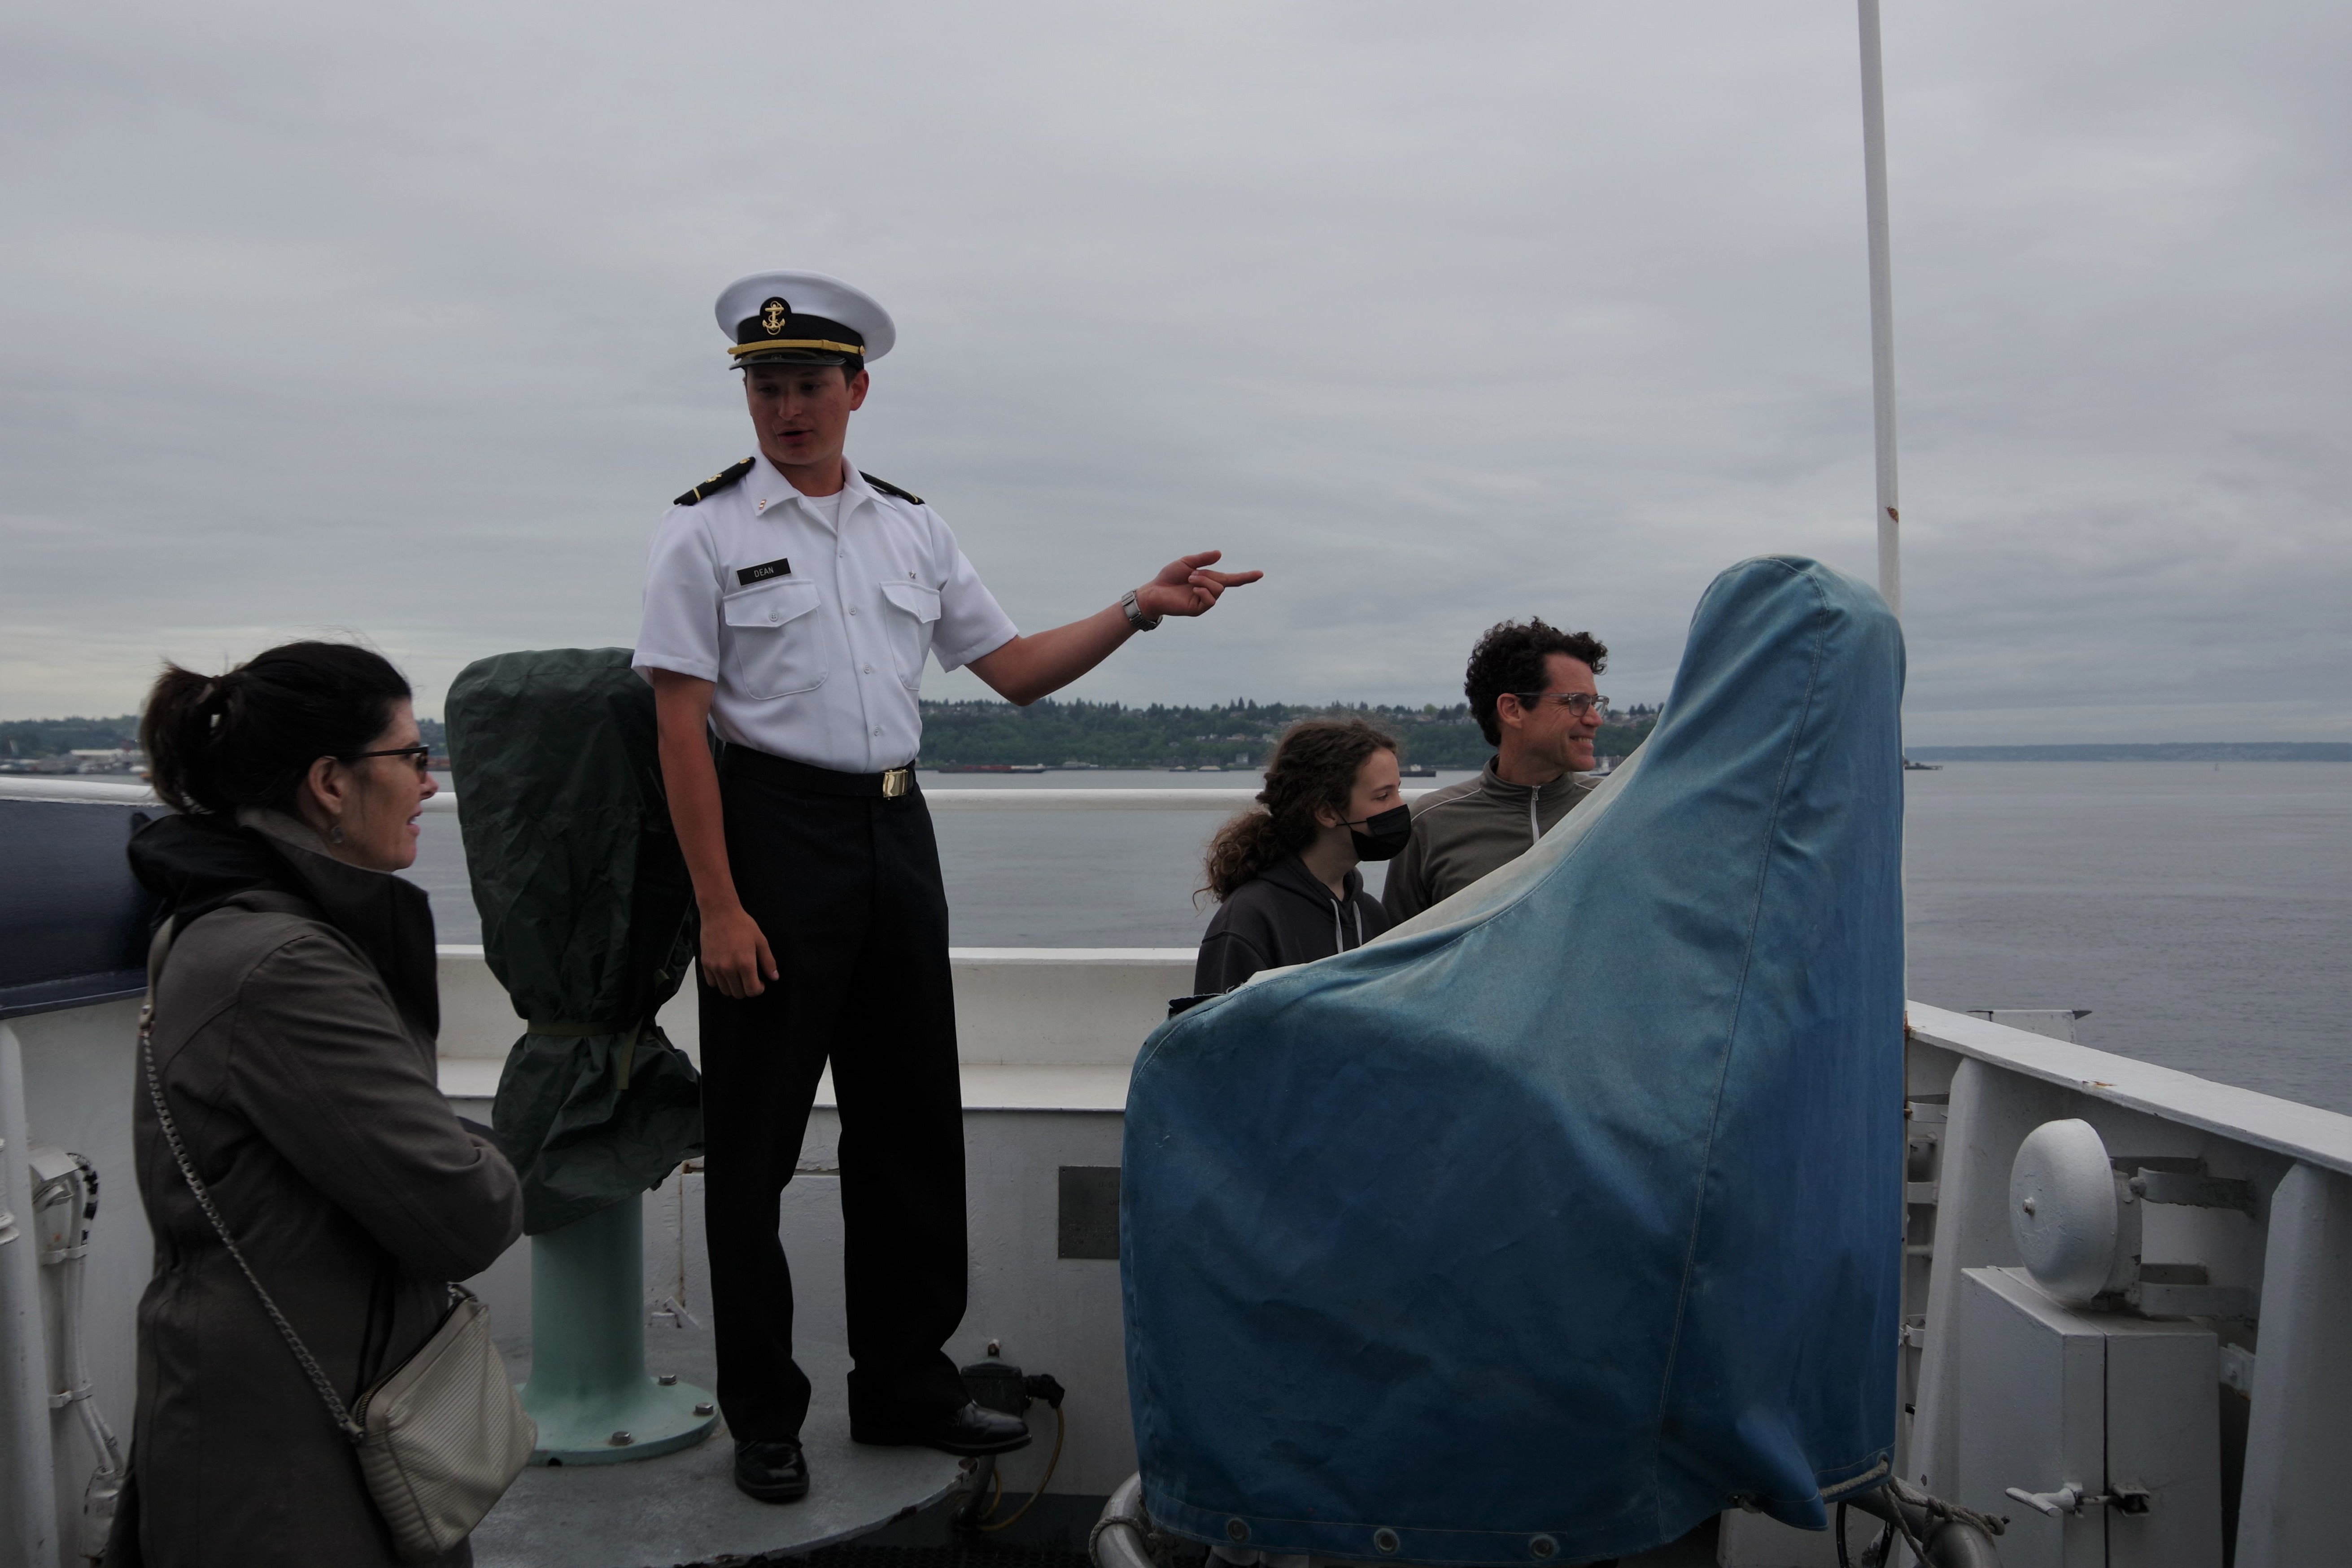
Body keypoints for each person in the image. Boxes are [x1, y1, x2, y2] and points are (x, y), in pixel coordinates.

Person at [633, 270, 1261, 1503]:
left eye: (809, 383)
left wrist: (1141, 606)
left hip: (892, 830)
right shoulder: (702, 530)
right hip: (771, 831)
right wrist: (717, 902)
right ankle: (764, 1409)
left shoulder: (911, 527)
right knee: (752, 1146)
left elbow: (1014, 668)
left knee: (911, 1120)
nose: (787, 407)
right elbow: (677, 724)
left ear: (856, 388)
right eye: (766, 386)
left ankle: (902, 1380)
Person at [112, 642, 523, 1568]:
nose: (429, 783)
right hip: (291, 1459)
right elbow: (463, 1209)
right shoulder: (285, 964)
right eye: (412, 756)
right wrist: (486, 1150)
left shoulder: (228, 924)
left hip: (271, 1397)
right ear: (331, 783)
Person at [1381, 618, 1610, 923]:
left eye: (1595, 703)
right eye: (1577, 702)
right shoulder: (1430, 824)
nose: (1595, 719)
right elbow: (1397, 957)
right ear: (1512, 710)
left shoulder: (1615, 807)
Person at [1193, 718, 1408, 995]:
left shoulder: (1371, 916)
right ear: (1328, 813)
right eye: (1383, 796)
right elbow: (1221, 1035)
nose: (1400, 807)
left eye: (1398, 791)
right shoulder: (1250, 922)